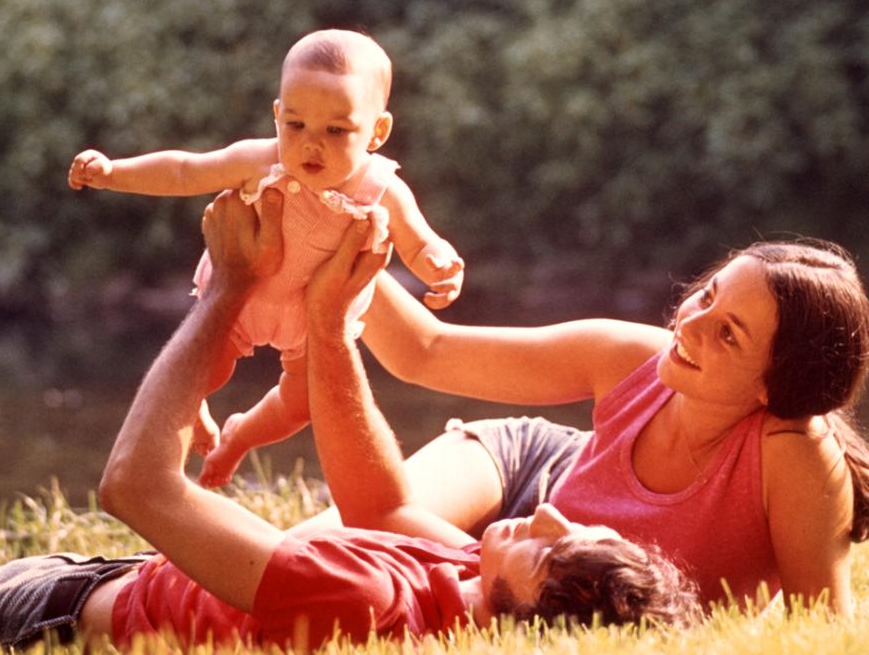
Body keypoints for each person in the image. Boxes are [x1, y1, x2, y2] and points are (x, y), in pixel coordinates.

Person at [0, 190, 697, 655]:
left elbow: (135, 487)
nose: (546, 515)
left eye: (554, 552)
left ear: (535, 620)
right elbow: (378, 501)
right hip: (93, 585)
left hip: (44, 626)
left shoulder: (363, 607)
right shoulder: (464, 583)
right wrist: (335, 320)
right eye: (571, 525)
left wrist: (225, 295)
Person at [321, 238, 869, 615]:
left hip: (555, 561)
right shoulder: (631, 357)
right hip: (529, 466)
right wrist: (337, 239)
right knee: (319, 546)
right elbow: (425, 351)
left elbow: (818, 620)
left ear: (773, 385)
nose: (691, 322)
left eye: (728, 334)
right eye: (708, 295)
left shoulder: (792, 451)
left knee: (345, 571)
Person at [67, 29, 464, 488]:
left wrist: (440, 263)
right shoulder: (261, 160)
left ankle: (240, 437)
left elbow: (419, 240)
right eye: (296, 125)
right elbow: (184, 170)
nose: (311, 144)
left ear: (377, 131)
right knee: (201, 368)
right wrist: (114, 173)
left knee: (302, 403)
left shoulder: (382, 188)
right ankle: (193, 406)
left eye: (336, 131)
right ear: (277, 116)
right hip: (242, 298)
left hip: (317, 319)